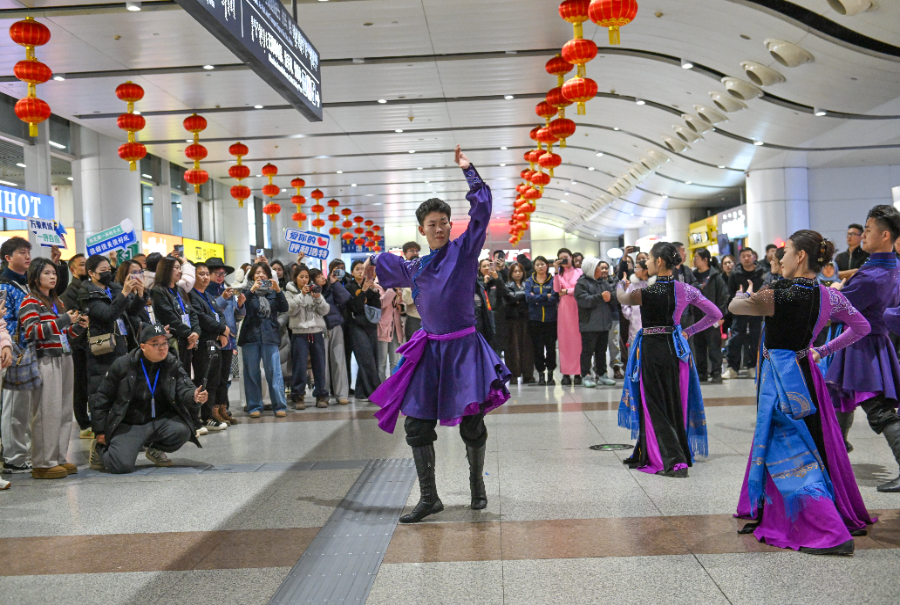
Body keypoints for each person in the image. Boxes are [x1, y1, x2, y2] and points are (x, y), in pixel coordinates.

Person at [367, 146, 511, 524]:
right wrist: (367, 264)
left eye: (444, 221)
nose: (440, 227)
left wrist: (469, 171)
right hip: (430, 351)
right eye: (432, 223)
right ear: (422, 229)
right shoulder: (416, 266)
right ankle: (429, 498)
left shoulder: (463, 251)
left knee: (472, 422)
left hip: (464, 349)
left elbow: (482, 211)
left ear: (450, 225)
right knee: (416, 423)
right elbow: (385, 264)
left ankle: (476, 485)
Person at [731, 230, 874, 555]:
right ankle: (789, 510)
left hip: (780, 381)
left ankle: (828, 531)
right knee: (813, 442)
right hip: (806, 374)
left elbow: (736, 307)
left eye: (786, 252)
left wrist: (744, 294)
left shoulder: (776, 294)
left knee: (789, 448)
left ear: (800, 257)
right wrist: (822, 350)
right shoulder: (829, 296)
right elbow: (861, 327)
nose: (779, 259)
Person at [616, 242, 722, 478]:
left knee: (653, 403)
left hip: (652, 349)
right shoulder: (685, 289)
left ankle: (674, 461)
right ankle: (652, 451)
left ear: (660, 262)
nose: (648, 264)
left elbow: (622, 298)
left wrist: (620, 285)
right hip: (676, 350)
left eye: (651, 260)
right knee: (673, 402)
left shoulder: (644, 292)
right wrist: (689, 331)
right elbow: (716, 313)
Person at [827, 206, 900, 492]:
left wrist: (835, 290)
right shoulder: (890, 267)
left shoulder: (872, 275)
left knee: (878, 409)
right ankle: (835, 457)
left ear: (885, 235)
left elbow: (838, 311)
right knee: (841, 398)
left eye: (868, 230)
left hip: (862, 349)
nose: (863, 235)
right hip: (873, 344)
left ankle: (835, 456)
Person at [89, 324, 207, 474]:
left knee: (183, 430)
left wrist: (194, 396)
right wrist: (99, 431)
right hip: (129, 423)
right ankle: (100, 449)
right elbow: (102, 398)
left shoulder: (172, 364)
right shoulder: (123, 365)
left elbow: (185, 387)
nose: (162, 347)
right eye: (156, 344)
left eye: (165, 342)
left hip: (158, 421)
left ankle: (156, 449)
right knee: (121, 466)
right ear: (143, 346)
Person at [20, 257, 88, 479]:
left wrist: (76, 326)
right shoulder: (30, 301)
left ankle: (58, 457)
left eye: (54, 273)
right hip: (45, 359)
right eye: (47, 273)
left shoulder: (57, 303)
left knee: (63, 411)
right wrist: (62, 321)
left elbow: (64, 335)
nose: (52, 277)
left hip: (64, 356)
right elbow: (32, 332)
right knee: (46, 412)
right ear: (35, 276)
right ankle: (42, 462)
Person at [0, 237, 42, 474]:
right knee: (14, 406)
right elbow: (3, 320)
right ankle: (13, 457)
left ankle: (21, 452)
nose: (27, 256)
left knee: (24, 406)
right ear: (8, 258)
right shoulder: (4, 286)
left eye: (29, 252)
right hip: (14, 350)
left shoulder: (25, 284)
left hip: (29, 349)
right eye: (22, 252)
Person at [80, 255, 146, 402]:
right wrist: (124, 293)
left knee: (123, 390)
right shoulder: (88, 293)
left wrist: (140, 295)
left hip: (122, 343)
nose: (107, 273)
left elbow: (131, 311)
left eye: (109, 269)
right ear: (91, 273)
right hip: (103, 348)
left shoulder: (114, 288)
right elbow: (107, 315)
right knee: (104, 391)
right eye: (103, 270)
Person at [239, 262, 289, 417]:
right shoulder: (246, 291)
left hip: (270, 335)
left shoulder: (273, 292)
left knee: (274, 372)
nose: (260, 275)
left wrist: (279, 290)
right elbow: (240, 307)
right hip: (250, 336)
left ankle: (279, 405)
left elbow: (284, 307)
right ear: (252, 276)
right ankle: (254, 406)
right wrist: (251, 292)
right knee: (251, 372)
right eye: (257, 273)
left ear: (268, 276)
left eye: (263, 273)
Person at [188, 262, 231, 431]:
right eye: (201, 274)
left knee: (214, 381)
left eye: (207, 274)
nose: (205, 277)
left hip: (215, 343)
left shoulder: (208, 295)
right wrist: (221, 329)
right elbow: (201, 318)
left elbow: (219, 314)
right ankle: (200, 417)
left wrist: (223, 332)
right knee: (202, 380)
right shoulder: (191, 295)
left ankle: (209, 416)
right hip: (202, 344)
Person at [285, 265, 330, 409]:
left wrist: (317, 298)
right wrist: (302, 296)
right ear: (295, 278)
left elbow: (325, 310)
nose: (304, 280)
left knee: (319, 365)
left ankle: (321, 394)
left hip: (316, 331)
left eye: (306, 277)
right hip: (299, 333)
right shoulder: (289, 292)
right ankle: (298, 396)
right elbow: (290, 310)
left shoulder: (314, 290)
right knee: (299, 366)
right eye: (301, 277)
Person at [206, 257, 244, 423]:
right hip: (214, 339)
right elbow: (211, 313)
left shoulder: (228, 290)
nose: (220, 276)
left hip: (229, 340)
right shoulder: (205, 291)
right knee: (214, 378)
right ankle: (212, 410)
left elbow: (237, 316)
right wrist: (222, 298)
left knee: (225, 378)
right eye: (217, 273)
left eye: (223, 273)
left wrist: (241, 305)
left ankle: (223, 408)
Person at [59, 253, 92, 438]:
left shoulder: (91, 288)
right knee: (80, 385)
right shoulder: (69, 293)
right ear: (72, 269)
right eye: (81, 265)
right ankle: (83, 422)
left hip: (93, 344)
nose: (85, 268)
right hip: (78, 345)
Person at [151, 257, 200, 372]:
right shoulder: (158, 290)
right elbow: (169, 317)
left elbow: (192, 313)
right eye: (176, 268)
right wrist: (190, 334)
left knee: (186, 376)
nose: (180, 271)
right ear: (166, 269)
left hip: (187, 339)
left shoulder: (180, 290)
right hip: (173, 341)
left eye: (180, 268)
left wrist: (196, 332)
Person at [724, 247, 765, 379]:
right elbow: (730, 294)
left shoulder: (762, 273)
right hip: (739, 311)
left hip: (756, 311)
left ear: (754, 257)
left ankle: (753, 366)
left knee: (755, 339)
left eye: (749, 255)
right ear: (740, 258)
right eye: (743, 256)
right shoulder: (735, 274)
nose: (746, 258)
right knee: (736, 338)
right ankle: (732, 368)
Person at [575, 258, 617, 388]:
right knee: (587, 351)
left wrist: (615, 295)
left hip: (604, 324)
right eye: (599, 267)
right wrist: (600, 297)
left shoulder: (603, 283)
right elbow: (584, 301)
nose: (602, 270)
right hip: (589, 324)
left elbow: (611, 298)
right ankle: (585, 375)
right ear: (591, 268)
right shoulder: (581, 284)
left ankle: (602, 374)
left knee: (601, 351)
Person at [347, 259, 382, 403]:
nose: (361, 272)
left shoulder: (371, 285)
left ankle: (361, 392)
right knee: (366, 358)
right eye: (357, 269)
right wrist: (363, 292)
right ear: (352, 272)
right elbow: (355, 306)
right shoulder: (349, 287)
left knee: (371, 358)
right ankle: (376, 392)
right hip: (356, 326)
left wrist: (367, 292)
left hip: (371, 326)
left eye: (363, 269)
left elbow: (376, 303)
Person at [692, 249, 729, 383]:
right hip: (696, 319)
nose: (694, 260)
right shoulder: (693, 276)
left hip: (711, 319)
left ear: (705, 260)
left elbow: (723, 297)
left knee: (714, 347)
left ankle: (716, 372)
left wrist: (721, 316)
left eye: (696, 257)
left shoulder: (716, 277)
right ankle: (701, 373)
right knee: (699, 347)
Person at [525, 256, 559, 386]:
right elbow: (528, 298)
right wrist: (546, 295)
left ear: (547, 266)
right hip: (535, 320)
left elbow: (554, 298)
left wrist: (538, 299)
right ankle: (540, 374)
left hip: (551, 320)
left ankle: (550, 374)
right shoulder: (529, 281)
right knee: (538, 349)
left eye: (543, 264)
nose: (540, 266)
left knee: (551, 348)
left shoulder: (553, 280)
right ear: (534, 266)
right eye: (538, 264)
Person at [321, 263, 350, 405]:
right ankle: (324, 394)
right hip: (320, 328)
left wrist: (335, 283)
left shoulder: (334, 285)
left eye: (341, 268)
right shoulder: (318, 288)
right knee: (323, 363)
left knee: (339, 361)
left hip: (336, 325)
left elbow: (345, 298)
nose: (339, 271)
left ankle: (341, 394)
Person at [553, 248, 583, 385]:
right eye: (561, 258)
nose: (564, 260)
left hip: (577, 308)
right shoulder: (559, 274)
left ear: (571, 257)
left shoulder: (580, 272)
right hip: (564, 310)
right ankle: (565, 373)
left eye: (566, 257)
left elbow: (580, 289)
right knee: (564, 342)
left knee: (578, 342)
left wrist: (567, 291)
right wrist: (555, 270)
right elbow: (556, 290)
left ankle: (578, 373)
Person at [503, 261, 534, 384]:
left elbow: (531, 298)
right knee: (512, 348)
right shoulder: (507, 285)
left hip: (527, 319)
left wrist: (517, 297)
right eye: (515, 271)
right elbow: (510, 297)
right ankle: (514, 375)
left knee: (527, 348)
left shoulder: (528, 284)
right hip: (512, 320)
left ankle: (528, 375)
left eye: (519, 271)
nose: (517, 273)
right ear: (511, 273)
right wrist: (523, 296)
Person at [114, 260, 153, 351]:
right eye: (134, 272)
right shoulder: (120, 292)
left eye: (140, 271)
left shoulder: (145, 290)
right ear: (125, 275)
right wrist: (153, 329)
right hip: (134, 338)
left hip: (148, 334)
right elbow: (132, 315)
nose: (139, 275)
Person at [377, 285, 405, 382]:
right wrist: (392, 290)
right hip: (383, 329)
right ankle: (381, 387)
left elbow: (403, 303)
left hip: (396, 329)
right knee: (382, 362)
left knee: (395, 361)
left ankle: (394, 387)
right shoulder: (377, 287)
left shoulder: (397, 288)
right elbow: (382, 303)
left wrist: (401, 305)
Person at [477, 258, 507, 351]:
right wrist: (485, 283)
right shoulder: (477, 282)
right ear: (479, 269)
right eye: (484, 266)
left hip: (498, 317)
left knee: (497, 347)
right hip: (483, 319)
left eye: (489, 265)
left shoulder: (498, 279)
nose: (487, 268)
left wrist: (497, 277)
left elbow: (504, 293)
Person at [621, 260, 651, 347]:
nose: (635, 270)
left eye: (637, 268)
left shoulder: (654, 285)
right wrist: (630, 315)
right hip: (636, 322)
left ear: (645, 271)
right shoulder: (632, 286)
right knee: (636, 349)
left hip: (651, 323)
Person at [399, 242, 422, 341]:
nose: (415, 253)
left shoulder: (424, 269)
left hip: (428, 317)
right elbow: (407, 300)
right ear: (405, 253)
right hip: (413, 316)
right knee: (413, 349)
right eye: (412, 251)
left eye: (417, 251)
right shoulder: (402, 272)